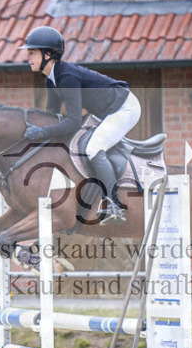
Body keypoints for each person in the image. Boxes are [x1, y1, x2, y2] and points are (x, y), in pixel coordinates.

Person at [19, 26, 141, 225]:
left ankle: (114, 205)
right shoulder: (52, 78)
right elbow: (53, 116)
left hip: (124, 108)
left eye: (32, 52)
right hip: (107, 111)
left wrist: (42, 132)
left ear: (48, 54)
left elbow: (74, 121)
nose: (27, 57)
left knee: (93, 148)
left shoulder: (67, 77)